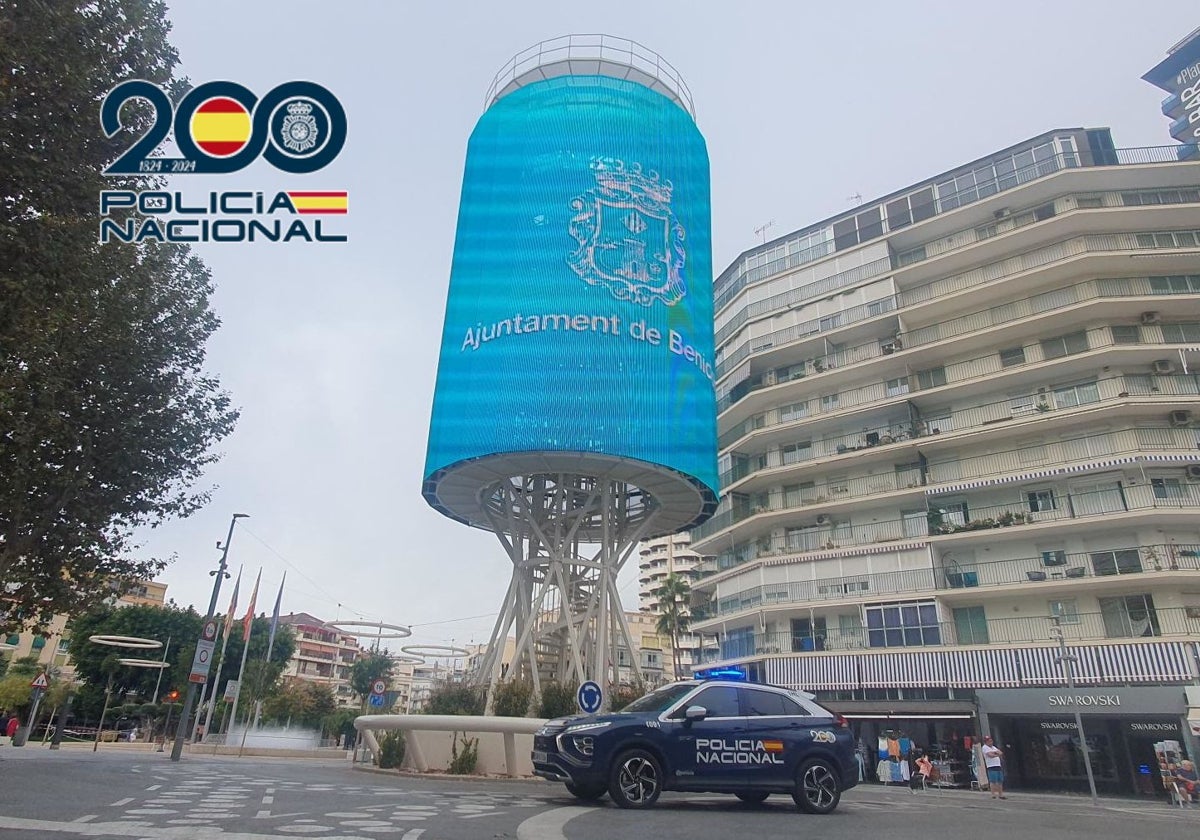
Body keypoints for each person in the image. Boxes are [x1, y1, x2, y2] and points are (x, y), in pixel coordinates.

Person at [982, 735, 1006, 799]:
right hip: (991, 766)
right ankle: (993, 794)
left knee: (1000, 780)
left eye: (991, 741)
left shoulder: (993, 747)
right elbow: (990, 755)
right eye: (988, 741)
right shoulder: (984, 747)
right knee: (993, 781)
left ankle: (1001, 794)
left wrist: (995, 753)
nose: (990, 742)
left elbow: (1000, 752)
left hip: (998, 765)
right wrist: (996, 754)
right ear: (985, 742)